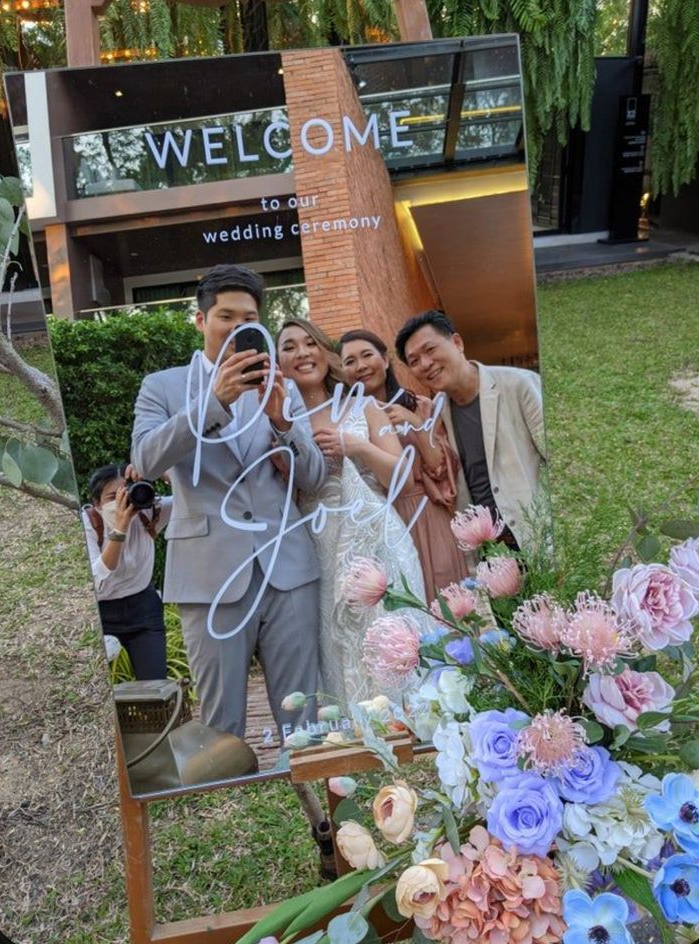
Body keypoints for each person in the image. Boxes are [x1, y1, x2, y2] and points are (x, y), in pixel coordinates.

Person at [130, 264, 327, 742]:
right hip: (209, 574)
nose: (240, 328)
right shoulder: (164, 387)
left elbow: (315, 477)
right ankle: (230, 805)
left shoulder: (282, 388)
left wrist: (282, 425)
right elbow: (146, 460)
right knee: (221, 729)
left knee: (307, 724)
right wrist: (213, 402)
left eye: (250, 317)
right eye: (226, 317)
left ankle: (325, 817)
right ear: (200, 321)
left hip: (288, 569)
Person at [276, 318, 426, 706]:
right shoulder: (278, 421)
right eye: (289, 347)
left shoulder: (365, 406)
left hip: (378, 541)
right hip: (319, 546)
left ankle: (410, 727)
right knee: (338, 643)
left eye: (310, 343)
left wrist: (355, 446)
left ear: (325, 352)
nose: (302, 353)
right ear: (278, 362)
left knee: (388, 635)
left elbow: (403, 480)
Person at [395, 310, 547, 553]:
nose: (425, 364)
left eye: (430, 349)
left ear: (457, 342)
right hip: (488, 554)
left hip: (535, 536)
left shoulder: (519, 385)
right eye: (414, 361)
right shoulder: (435, 414)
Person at [339, 329, 468, 600]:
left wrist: (418, 425)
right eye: (349, 361)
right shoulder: (343, 417)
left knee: (445, 604)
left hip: (425, 516)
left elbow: (442, 470)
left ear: (385, 360)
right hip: (378, 524)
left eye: (367, 355)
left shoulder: (420, 406)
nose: (360, 366)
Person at [82, 463, 171, 681]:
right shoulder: (89, 521)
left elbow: (196, 498)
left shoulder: (150, 513)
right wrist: (120, 527)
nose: (122, 503)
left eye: (127, 494)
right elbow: (98, 575)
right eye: (112, 497)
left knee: (155, 686)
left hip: (143, 608)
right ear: (97, 503)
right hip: (101, 612)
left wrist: (163, 472)